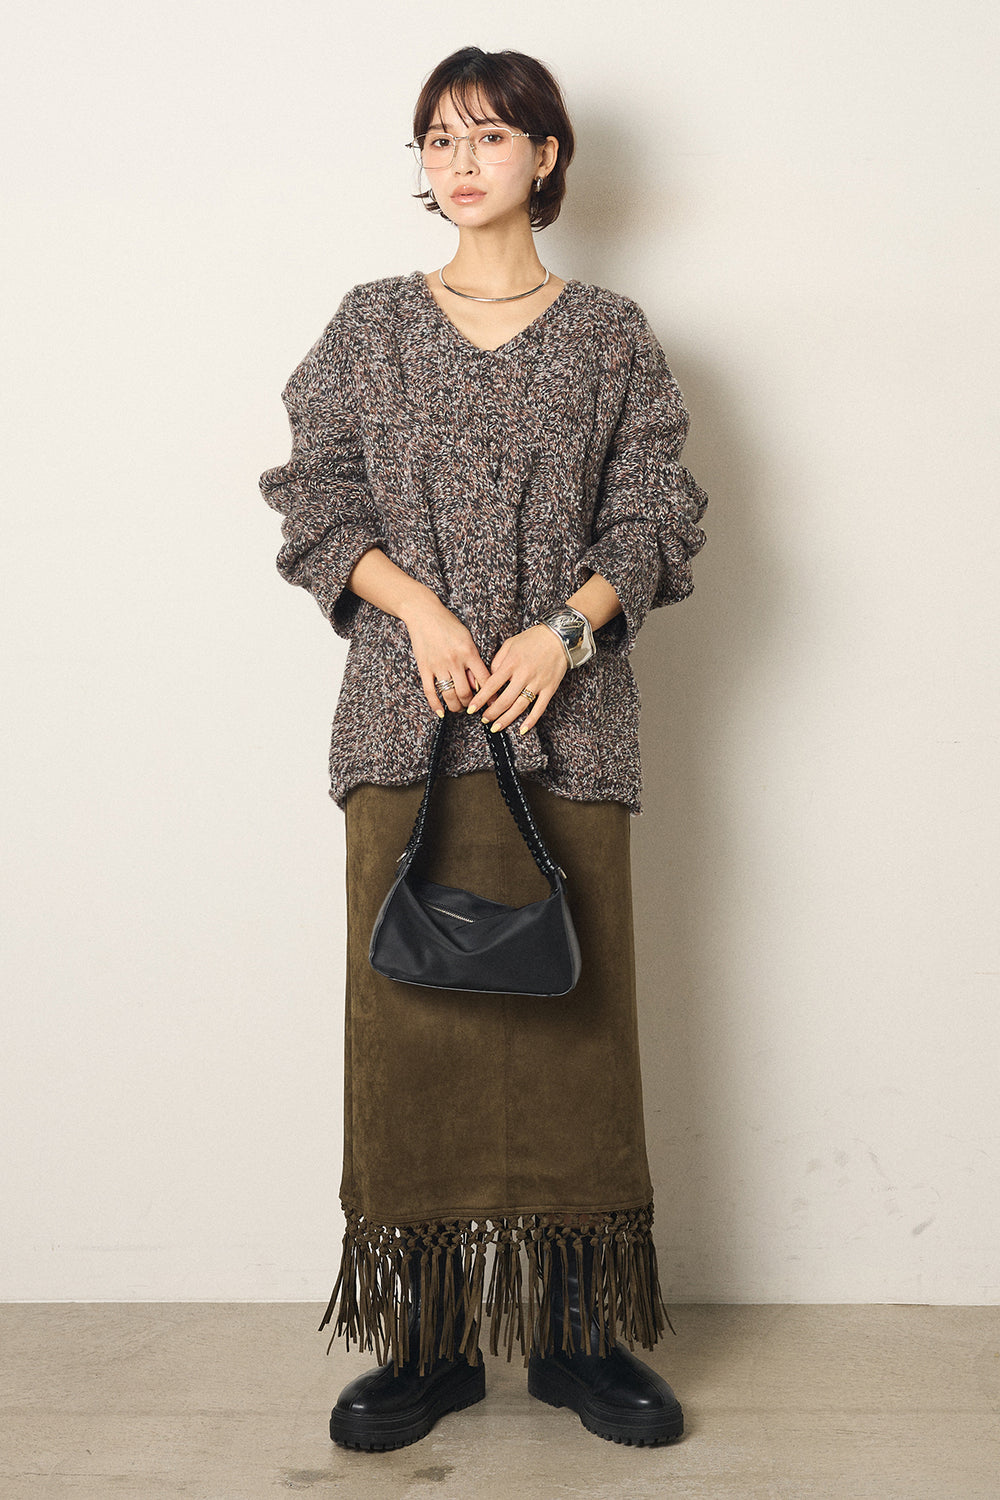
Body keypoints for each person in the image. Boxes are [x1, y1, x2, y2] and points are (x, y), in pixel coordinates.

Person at [259, 45, 708, 1453]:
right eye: (440, 139)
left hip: (567, 737)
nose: (460, 163)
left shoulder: (611, 334)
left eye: (491, 137)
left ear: (546, 156)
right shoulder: (371, 325)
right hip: (405, 726)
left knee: (579, 1022)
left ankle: (578, 1333)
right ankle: (430, 1340)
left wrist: (564, 633)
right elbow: (314, 500)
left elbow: (657, 515)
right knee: (411, 1031)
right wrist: (420, 611)